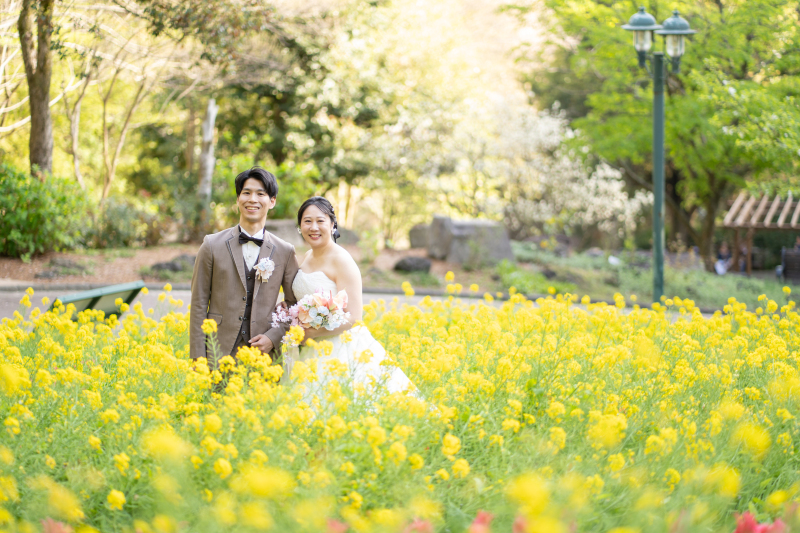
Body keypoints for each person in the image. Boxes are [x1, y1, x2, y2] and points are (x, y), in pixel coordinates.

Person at [288, 196, 415, 394]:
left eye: (320, 221)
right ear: (300, 226)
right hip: (310, 346)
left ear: (332, 224)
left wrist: (311, 333)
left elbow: (354, 318)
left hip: (338, 347)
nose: (313, 227)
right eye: (307, 221)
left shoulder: (342, 260)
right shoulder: (308, 256)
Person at [189, 167, 299, 361]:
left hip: (262, 355)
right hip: (217, 352)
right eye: (246, 193)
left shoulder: (285, 251)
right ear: (238, 199)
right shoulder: (211, 245)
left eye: (260, 194)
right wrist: (198, 358)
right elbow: (198, 304)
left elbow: (293, 305)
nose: (252, 199)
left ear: (272, 201)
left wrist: (273, 337)